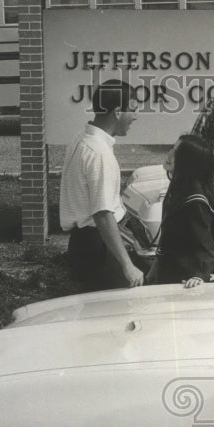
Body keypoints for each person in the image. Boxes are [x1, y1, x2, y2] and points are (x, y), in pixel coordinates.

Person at [59, 78, 145, 292]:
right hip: (100, 247)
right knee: (112, 308)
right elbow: (103, 214)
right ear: (117, 112)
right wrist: (127, 265)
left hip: (84, 243)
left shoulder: (81, 139)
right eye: (133, 109)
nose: (136, 116)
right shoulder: (99, 154)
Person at [147, 134, 214, 288]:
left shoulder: (195, 200)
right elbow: (167, 239)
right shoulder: (178, 187)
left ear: (188, 161)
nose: (169, 155)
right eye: (172, 149)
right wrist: (155, 269)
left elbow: (205, 245)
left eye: (177, 153)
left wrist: (200, 275)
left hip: (185, 280)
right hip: (169, 273)